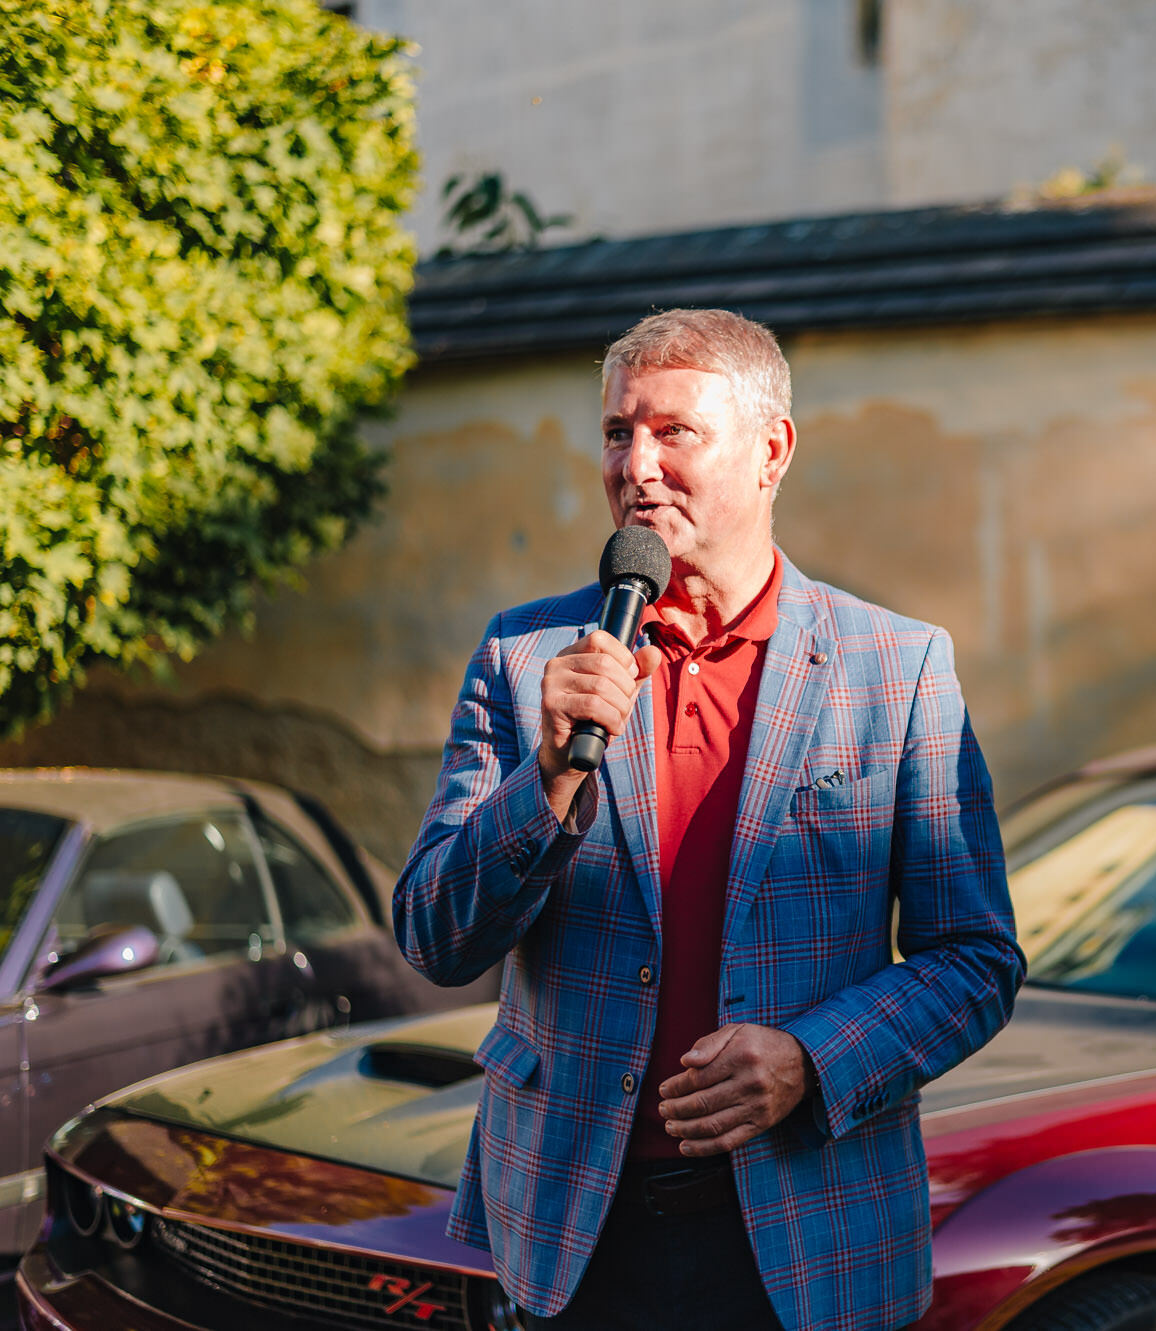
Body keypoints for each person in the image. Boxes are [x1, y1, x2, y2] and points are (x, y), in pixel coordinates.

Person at [394, 308, 1024, 1331]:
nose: (635, 466)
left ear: (772, 450)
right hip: (572, 1239)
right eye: (617, 432)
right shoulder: (525, 657)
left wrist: (811, 1058)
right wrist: (545, 775)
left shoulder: (896, 668)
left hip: (807, 1240)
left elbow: (974, 959)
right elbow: (435, 938)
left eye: (673, 431)